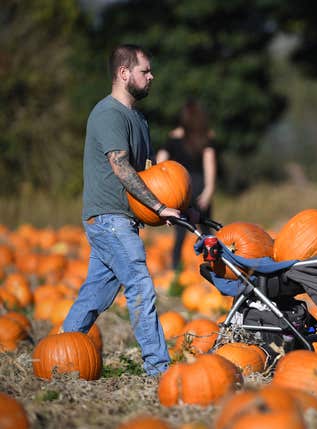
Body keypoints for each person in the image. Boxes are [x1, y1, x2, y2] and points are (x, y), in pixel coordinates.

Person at [62, 44, 179, 376]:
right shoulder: (108, 114)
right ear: (124, 73)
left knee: (95, 294)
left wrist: (175, 208)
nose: (151, 76)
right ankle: (159, 369)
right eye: (145, 71)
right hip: (108, 219)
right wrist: (157, 205)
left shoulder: (139, 119)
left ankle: (60, 351)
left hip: (124, 219)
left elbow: (149, 175)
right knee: (140, 285)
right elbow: (121, 167)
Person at [156, 99, 217, 270]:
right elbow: (209, 163)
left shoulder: (174, 138)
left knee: (180, 232)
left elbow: (160, 162)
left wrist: (163, 188)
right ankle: (214, 267)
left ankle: (175, 267)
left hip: (181, 188)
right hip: (199, 186)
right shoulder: (205, 137)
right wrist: (209, 190)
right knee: (206, 232)